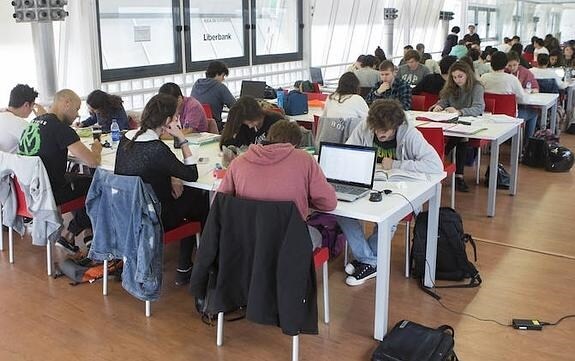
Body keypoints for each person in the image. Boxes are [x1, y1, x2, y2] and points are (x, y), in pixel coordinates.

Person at [336, 99, 443, 286]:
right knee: (340, 209)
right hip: (369, 182)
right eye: (376, 130)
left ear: (396, 126)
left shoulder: (410, 133)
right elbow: (349, 151)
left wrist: (396, 164)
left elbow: (435, 165)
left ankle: (366, 259)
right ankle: (370, 260)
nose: (379, 134)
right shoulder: (365, 127)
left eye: (384, 131)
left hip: (399, 188)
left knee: (387, 219)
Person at [114, 93, 209, 286]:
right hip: (153, 218)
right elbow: (191, 174)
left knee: (187, 197)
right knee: (199, 198)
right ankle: (186, 267)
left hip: (126, 215)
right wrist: (182, 138)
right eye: (175, 117)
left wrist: (172, 177)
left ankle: (185, 266)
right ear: (167, 121)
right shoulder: (156, 148)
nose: (177, 120)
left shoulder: (126, 139)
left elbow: (150, 170)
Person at [218, 120, 337, 248]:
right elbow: (329, 203)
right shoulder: (305, 159)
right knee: (318, 236)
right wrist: (306, 200)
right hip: (289, 241)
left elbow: (219, 204)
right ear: (296, 144)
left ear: (269, 137)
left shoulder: (238, 162)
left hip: (246, 240)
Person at [18, 89, 102, 253]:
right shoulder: (61, 129)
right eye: (77, 109)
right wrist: (96, 148)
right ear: (66, 102)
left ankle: (86, 232)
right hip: (49, 193)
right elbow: (92, 161)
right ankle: (70, 234)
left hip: (26, 191)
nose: (77, 115)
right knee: (96, 184)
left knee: (79, 180)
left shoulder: (33, 123)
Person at [431, 61, 485, 192]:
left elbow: (478, 108)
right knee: (457, 137)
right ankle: (457, 175)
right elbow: (444, 100)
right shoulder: (451, 87)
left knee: (462, 138)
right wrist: (439, 106)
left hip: (469, 121)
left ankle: (441, 157)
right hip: (451, 121)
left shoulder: (477, 87)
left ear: (468, 75)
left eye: (460, 76)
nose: (457, 80)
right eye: (454, 77)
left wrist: (460, 112)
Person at [481, 51, 539, 143]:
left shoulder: (483, 78)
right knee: (534, 112)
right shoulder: (512, 79)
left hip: (488, 115)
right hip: (509, 117)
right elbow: (523, 99)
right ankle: (527, 144)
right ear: (505, 64)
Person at [190, 60, 236, 131]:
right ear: (217, 74)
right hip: (213, 128)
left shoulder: (197, 84)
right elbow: (235, 106)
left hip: (196, 127)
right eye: (223, 76)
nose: (223, 79)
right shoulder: (220, 86)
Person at [0, 84, 46, 153]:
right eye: (33, 105)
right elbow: (42, 142)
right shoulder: (19, 123)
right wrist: (44, 118)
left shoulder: (3, 115)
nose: (32, 110)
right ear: (26, 105)